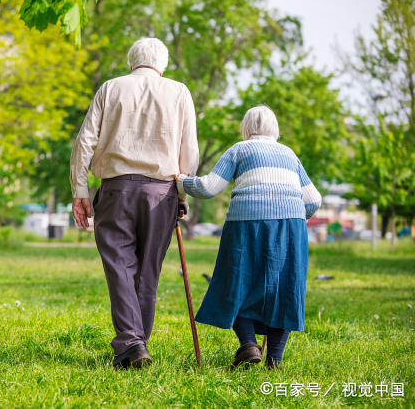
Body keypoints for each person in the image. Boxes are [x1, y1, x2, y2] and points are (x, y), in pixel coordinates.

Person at [70, 38, 199, 369]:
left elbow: (85, 142)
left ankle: (131, 343)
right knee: (148, 273)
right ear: (163, 64)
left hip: (116, 190)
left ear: (131, 62)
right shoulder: (179, 91)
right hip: (163, 192)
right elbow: (189, 150)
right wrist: (182, 196)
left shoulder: (111, 88)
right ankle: (136, 343)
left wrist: (80, 189)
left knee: (120, 266)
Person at [175, 105, 322, 370]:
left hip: (246, 223)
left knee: (235, 283)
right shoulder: (289, 154)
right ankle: (274, 362)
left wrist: (181, 181)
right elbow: (314, 200)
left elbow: (209, 188)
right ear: (274, 129)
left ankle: (249, 344)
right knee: (284, 290)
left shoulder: (239, 149)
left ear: (246, 127)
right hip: (291, 226)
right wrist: (295, 219)